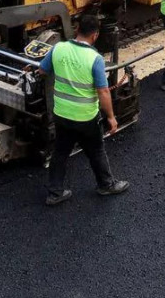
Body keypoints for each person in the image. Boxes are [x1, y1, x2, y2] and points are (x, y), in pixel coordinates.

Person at [37, 15, 130, 206]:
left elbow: (42, 71)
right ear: (95, 35)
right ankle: (106, 184)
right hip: (86, 117)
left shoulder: (59, 48)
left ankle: (55, 193)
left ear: (77, 29)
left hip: (62, 114)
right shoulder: (94, 59)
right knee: (96, 150)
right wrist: (111, 117)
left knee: (60, 152)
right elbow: (103, 91)